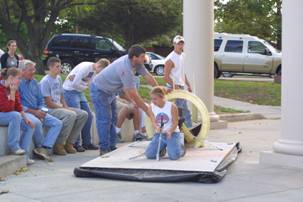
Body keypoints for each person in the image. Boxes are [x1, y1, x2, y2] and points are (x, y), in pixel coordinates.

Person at [90, 45, 159, 156]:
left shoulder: (137, 64)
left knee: (113, 118)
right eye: (142, 56)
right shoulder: (125, 68)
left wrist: (159, 91)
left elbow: (148, 76)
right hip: (100, 90)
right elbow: (134, 95)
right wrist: (148, 111)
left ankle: (111, 147)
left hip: (111, 90)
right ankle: (104, 149)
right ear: (134, 57)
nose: (144, 59)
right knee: (104, 120)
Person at [40, 57, 88, 155]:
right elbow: (48, 103)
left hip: (59, 107)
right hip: (48, 109)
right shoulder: (45, 81)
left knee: (83, 114)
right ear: (50, 67)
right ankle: (59, 144)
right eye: (57, 67)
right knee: (70, 115)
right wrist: (64, 109)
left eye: (60, 66)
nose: (60, 69)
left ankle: (69, 143)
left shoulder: (58, 78)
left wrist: (66, 106)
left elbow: (62, 96)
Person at [19, 60, 63, 162]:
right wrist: (35, 113)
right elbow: (18, 105)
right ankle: (40, 146)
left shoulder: (35, 83)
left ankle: (44, 148)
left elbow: (42, 101)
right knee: (37, 123)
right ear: (23, 71)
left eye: (34, 69)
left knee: (57, 123)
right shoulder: (19, 83)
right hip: (26, 112)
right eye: (30, 70)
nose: (33, 72)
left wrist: (42, 112)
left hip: (38, 111)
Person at [63, 58, 110, 152]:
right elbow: (74, 83)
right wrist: (85, 86)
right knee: (78, 116)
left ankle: (87, 142)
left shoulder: (94, 71)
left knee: (89, 116)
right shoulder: (85, 67)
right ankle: (75, 143)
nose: (100, 73)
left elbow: (90, 83)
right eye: (101, 71)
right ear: (99, 65)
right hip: (70, 91)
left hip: (79, 92)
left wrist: (85, 86)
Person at [0, 68, 35, 164]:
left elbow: (18, 106)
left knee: (29, 126)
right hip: (3, 114)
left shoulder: (14, 87)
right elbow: (7, 109)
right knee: (15, 115)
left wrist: (26, 119)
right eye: (18, 78)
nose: (20, 80)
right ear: (10, 78)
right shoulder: (2, 88)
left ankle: (24, 156)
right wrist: (12, 92)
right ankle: (14, 146)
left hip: (7, 114)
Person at [145, 87, 184, 160]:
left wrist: (170, 131)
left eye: (155, 99)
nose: (153, 101)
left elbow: (175, 122)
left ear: (162, 97)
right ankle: (162, 148)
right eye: (152, 99)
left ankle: (178, 146)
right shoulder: (151, 107)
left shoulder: (172, 106)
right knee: (149, 155)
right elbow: (153, 122)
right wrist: (156, 127)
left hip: (172, 133)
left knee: (174, 157)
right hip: (160, 134)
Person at [164, 35, 193, 128]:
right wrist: (175, 87)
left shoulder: (182, 55)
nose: (180, 46)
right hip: (173, 87)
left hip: (181, 87)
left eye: (182, 44)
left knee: (184, 111)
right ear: (174, 44)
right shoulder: (170, 59)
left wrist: (188, 85)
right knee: (179, 111)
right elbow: (166, 77)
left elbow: (182, 72)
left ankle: (188, 131)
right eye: (178, 44)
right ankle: (183, 131)